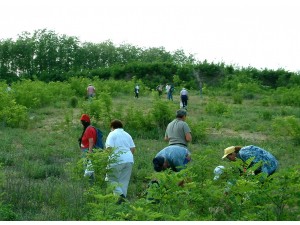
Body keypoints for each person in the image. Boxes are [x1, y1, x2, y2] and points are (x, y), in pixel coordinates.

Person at [105, 119, 136, 204]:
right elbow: (133, 149)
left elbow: (109, 148)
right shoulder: (127, 135)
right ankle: (121, 203)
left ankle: (120, 196)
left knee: (110, 179)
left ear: (112, 127)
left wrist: (106, 158)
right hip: (129, 159)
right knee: (124, 182)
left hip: (117, 159)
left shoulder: (112, 134)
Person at [78, 114, 97, 180]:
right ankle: (91, 185)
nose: (82, 123)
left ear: (85, 122)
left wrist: (89, 152)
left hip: (87, 151)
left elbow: (91, 141)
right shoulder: (90, 128)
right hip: (87, 150)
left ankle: (90, 185)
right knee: (89, 168)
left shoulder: (88, 129)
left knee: (88, 169)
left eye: (82, 121)